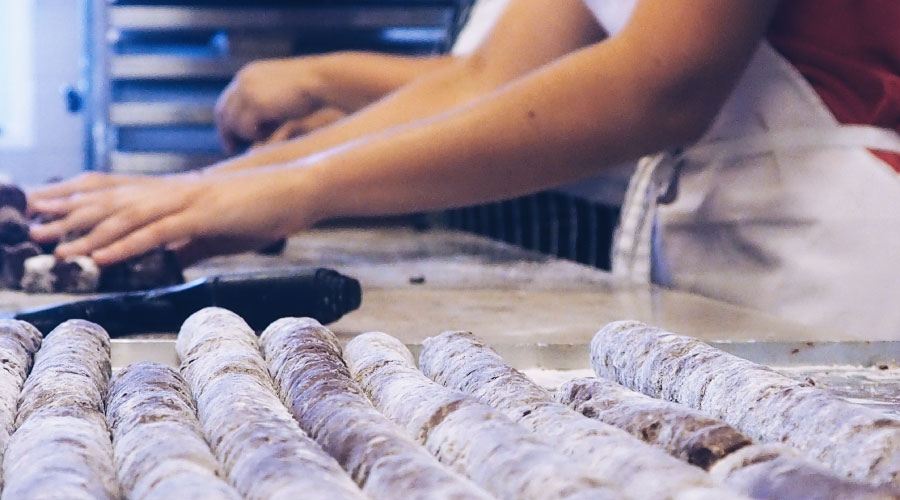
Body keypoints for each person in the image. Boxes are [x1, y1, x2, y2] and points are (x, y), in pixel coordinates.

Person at [27, 0, 900, 339]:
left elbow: (662, 83)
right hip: (715, 262)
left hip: (841, 265)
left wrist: (293, 187)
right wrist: (212, 190)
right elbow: (484, 78)